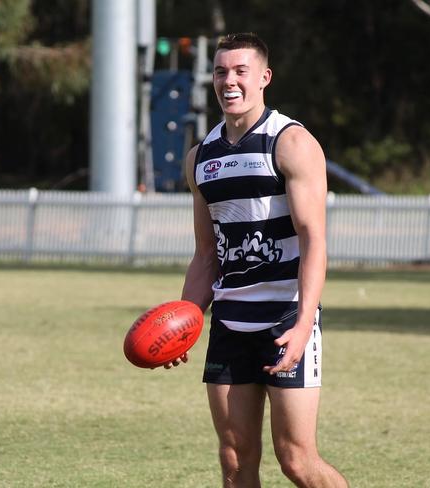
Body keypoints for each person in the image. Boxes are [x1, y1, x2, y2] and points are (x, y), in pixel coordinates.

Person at [166, 33, 349, 487]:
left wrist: (304, 322)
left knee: (297, 460)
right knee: (234, 459)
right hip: (230, 322)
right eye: (221, 71)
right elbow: (207, 255)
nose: (229, 81)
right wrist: (184, 323)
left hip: (284, 317)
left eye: (240, 71)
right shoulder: (200, 158)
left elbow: (313, 239)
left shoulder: (290, 142)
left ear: (264, 78)